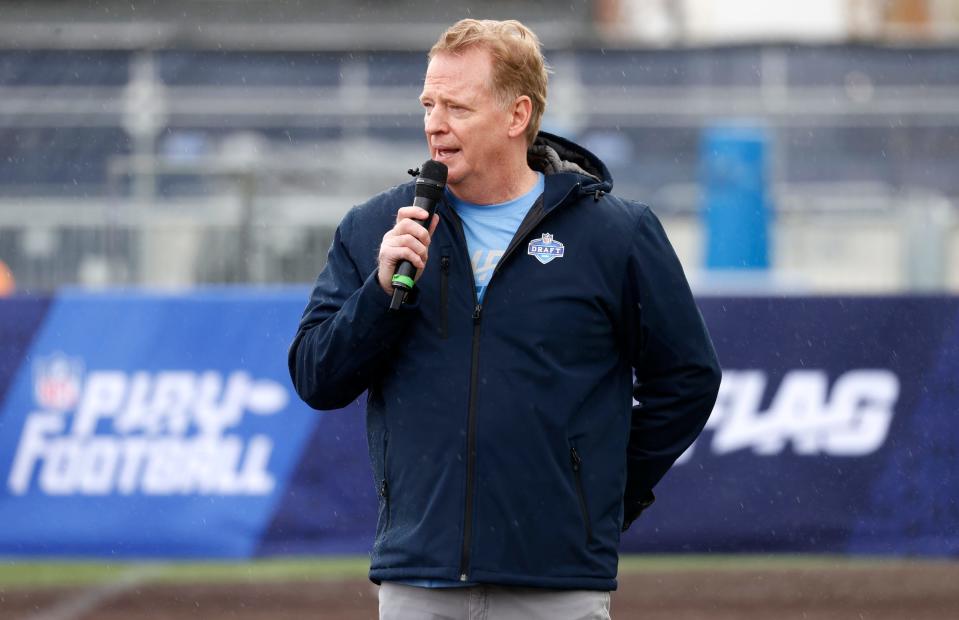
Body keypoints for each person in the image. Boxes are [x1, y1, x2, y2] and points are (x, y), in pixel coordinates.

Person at [289, 18, 721, 620]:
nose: (434, 124)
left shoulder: (616, 233)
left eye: (457, 107)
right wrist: (380, 290)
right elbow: (316, 376)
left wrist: (599, 496)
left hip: (557, 584)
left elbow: (689, 378)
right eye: (428, 104)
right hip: (419, 577)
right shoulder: (375, 228)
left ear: (518, 116)